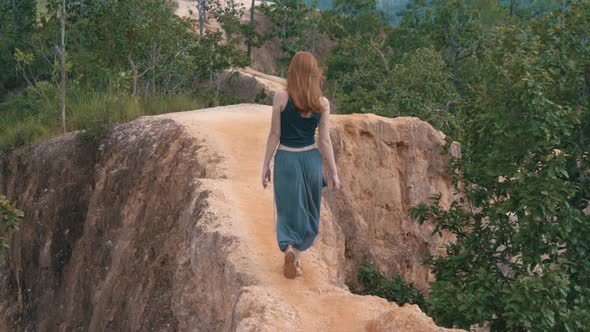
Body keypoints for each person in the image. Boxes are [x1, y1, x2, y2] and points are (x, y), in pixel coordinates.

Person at [260, 51, 341, 279]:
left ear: (292, 72)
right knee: (308, 210)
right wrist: (333, 172)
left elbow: (275, 133)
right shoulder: (322, 103)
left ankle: (287, 247)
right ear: (315, 73)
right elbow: (324, 141)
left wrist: (266, 165)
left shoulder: (281, 97)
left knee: (287, 210)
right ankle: (296, 258)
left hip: (286, 159)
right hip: (311, 160)